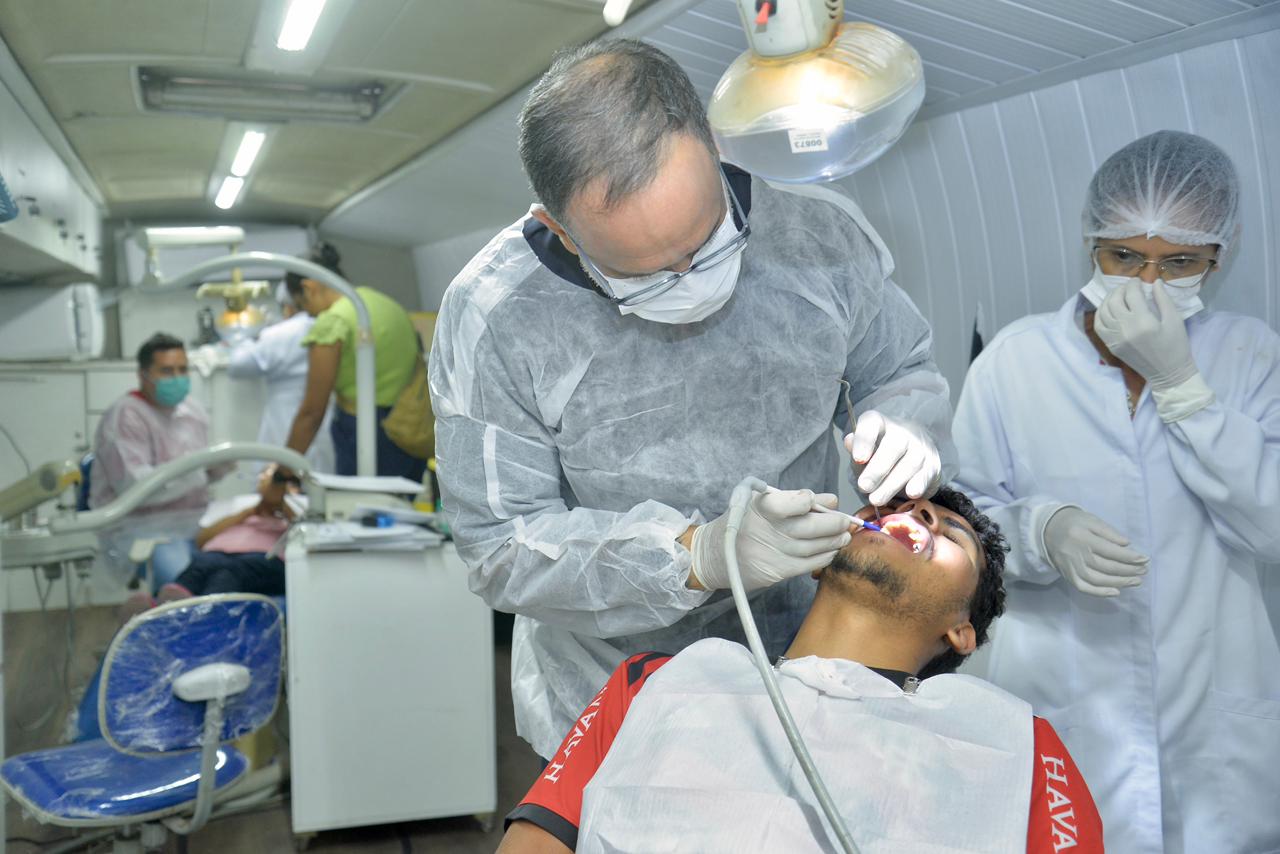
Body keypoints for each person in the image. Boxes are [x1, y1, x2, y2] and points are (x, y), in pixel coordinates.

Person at [430, 39, 956, 761]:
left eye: (706, 244)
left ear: (712, 145)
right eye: (643, 274)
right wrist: (695, 555)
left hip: (804, 657)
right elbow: (501, 546)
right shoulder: (497, 317)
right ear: (560, 231)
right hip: (613, 690)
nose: (688, 282)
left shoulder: (817, 238)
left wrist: (904, 421)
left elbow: (897, 367)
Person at [952, 130, 1280, 854]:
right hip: (1067, 710)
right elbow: (964, 523)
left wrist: (1182, 387)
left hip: (1214, 738)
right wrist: (1040, 531)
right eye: (1125, 256)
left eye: (1180, 261)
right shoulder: (1015, 361)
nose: (1149, 283)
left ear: (1219, 254)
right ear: (1090, 242)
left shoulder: (1251, 355)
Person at [497, 488, 1103, 853]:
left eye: (952, 534)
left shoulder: (1016, 745)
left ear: (962, 630)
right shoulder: (653, 682)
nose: (917, 511)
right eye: (894, 505)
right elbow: (536, 840)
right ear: (817, 559)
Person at [90, 332, 227, 588]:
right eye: (166, 371)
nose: (177, 378)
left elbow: (199, 474)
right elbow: (137, 490)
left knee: (242, 563)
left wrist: (218, 467)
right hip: (143, 527)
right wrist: (199, 471)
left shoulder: (192, 411)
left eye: (182, 370)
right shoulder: (126, 416)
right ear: (143, 375)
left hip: (196, 520)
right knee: (185, 585)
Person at [283, 242, 425, 480]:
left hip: (367, 434)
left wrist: (283, 472)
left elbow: (312, 413)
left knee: (361, 503)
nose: (310, 315)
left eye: (302, 305)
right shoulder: (383, 302)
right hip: (411, 430)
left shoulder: (333, 322)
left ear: (309, 288)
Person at [227, 283, 335, 473]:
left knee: (279, 478)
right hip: (327, 423)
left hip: (285, 425)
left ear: (287, 306)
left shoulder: (279, 334)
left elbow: (238, 365)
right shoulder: (332, 327)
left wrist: (249, 336)